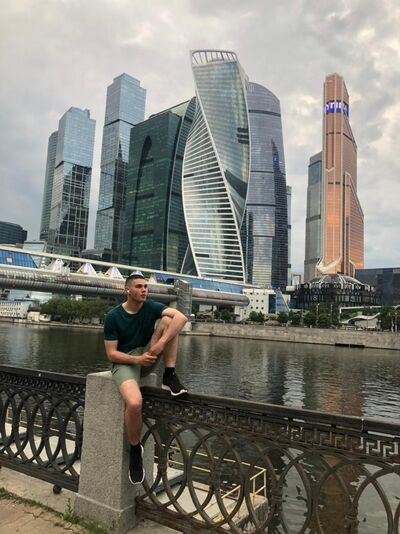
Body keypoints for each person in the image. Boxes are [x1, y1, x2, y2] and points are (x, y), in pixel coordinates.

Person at [104, 271, 188, 484]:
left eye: (145, 287)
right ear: (127, 290)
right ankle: (135, 449)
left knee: (169, 320)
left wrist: (159, 345)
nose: (144, 290)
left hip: (148, 355)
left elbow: (182, 317)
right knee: (134, 402)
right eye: (139, 286)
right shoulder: (113, 316)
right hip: (126, 363)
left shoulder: (150, 306)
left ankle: (169, 375)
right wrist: (137, 360)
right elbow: (111, 354)